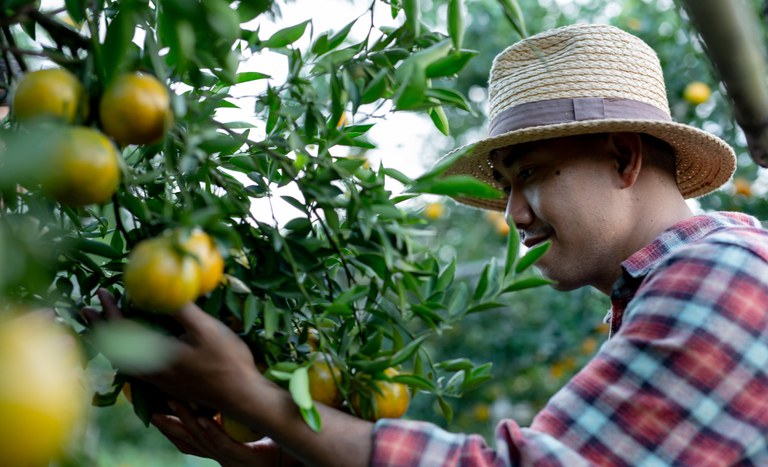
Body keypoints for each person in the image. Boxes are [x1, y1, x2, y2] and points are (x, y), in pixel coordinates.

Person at [85, 23, 768, 466]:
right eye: (504, 186)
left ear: (623, 156)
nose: (513, 214)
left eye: (527, 176)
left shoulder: (719, 277)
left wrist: (260, 400)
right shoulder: (674, 287)